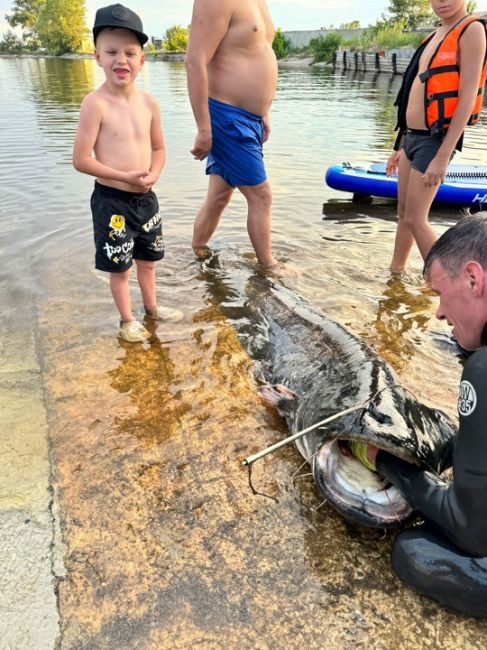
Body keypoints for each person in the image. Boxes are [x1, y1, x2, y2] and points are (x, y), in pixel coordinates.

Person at [366, 214, 487, 617]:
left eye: (440, 292)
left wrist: (383, 461)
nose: (437, 313)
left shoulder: (483, 369)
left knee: (413, 551)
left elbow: (470, 529)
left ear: (473, 278)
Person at [73, 3, 182, 342]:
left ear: (141, 60)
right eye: (112, 52)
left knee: (148, 260)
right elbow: (80, 159)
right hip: (112, 200)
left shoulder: (149, 103)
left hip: (146, 197)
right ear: (98, 58)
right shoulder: (95, 103)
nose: (121, 59)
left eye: (130, 52)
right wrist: (122, 177)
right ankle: (127, 320)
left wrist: (154, 173)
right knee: (119, 266)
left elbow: (160, 149)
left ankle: (151, 308)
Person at [386, 0, 487, 273]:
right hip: (413, 138)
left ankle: (450, 284)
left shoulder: (472, 30)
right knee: (404, 215)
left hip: (435, 139)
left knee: (417, 219)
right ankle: (395, 273)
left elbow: (467, 97)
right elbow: (413, 93)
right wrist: (402, 143)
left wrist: (442, 157)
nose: (442, 1)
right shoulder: (434, 35)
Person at [185, 0, 278, 267]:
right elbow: (194, 61)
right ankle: (268, 268)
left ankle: (198, 252)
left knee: (218, 197)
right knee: (261, 196)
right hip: (227, 117)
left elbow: (257, 52)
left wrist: (263, 112)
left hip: (250, 119)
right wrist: (204, 128)